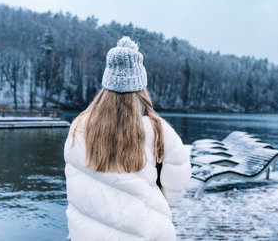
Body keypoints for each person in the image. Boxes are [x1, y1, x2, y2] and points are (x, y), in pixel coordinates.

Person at [64, 36, 191, 241]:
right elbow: (176, 190)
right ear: (141, 88)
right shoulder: (159, 130)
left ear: (106, 83)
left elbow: (75, 180)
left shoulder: (79, 127)